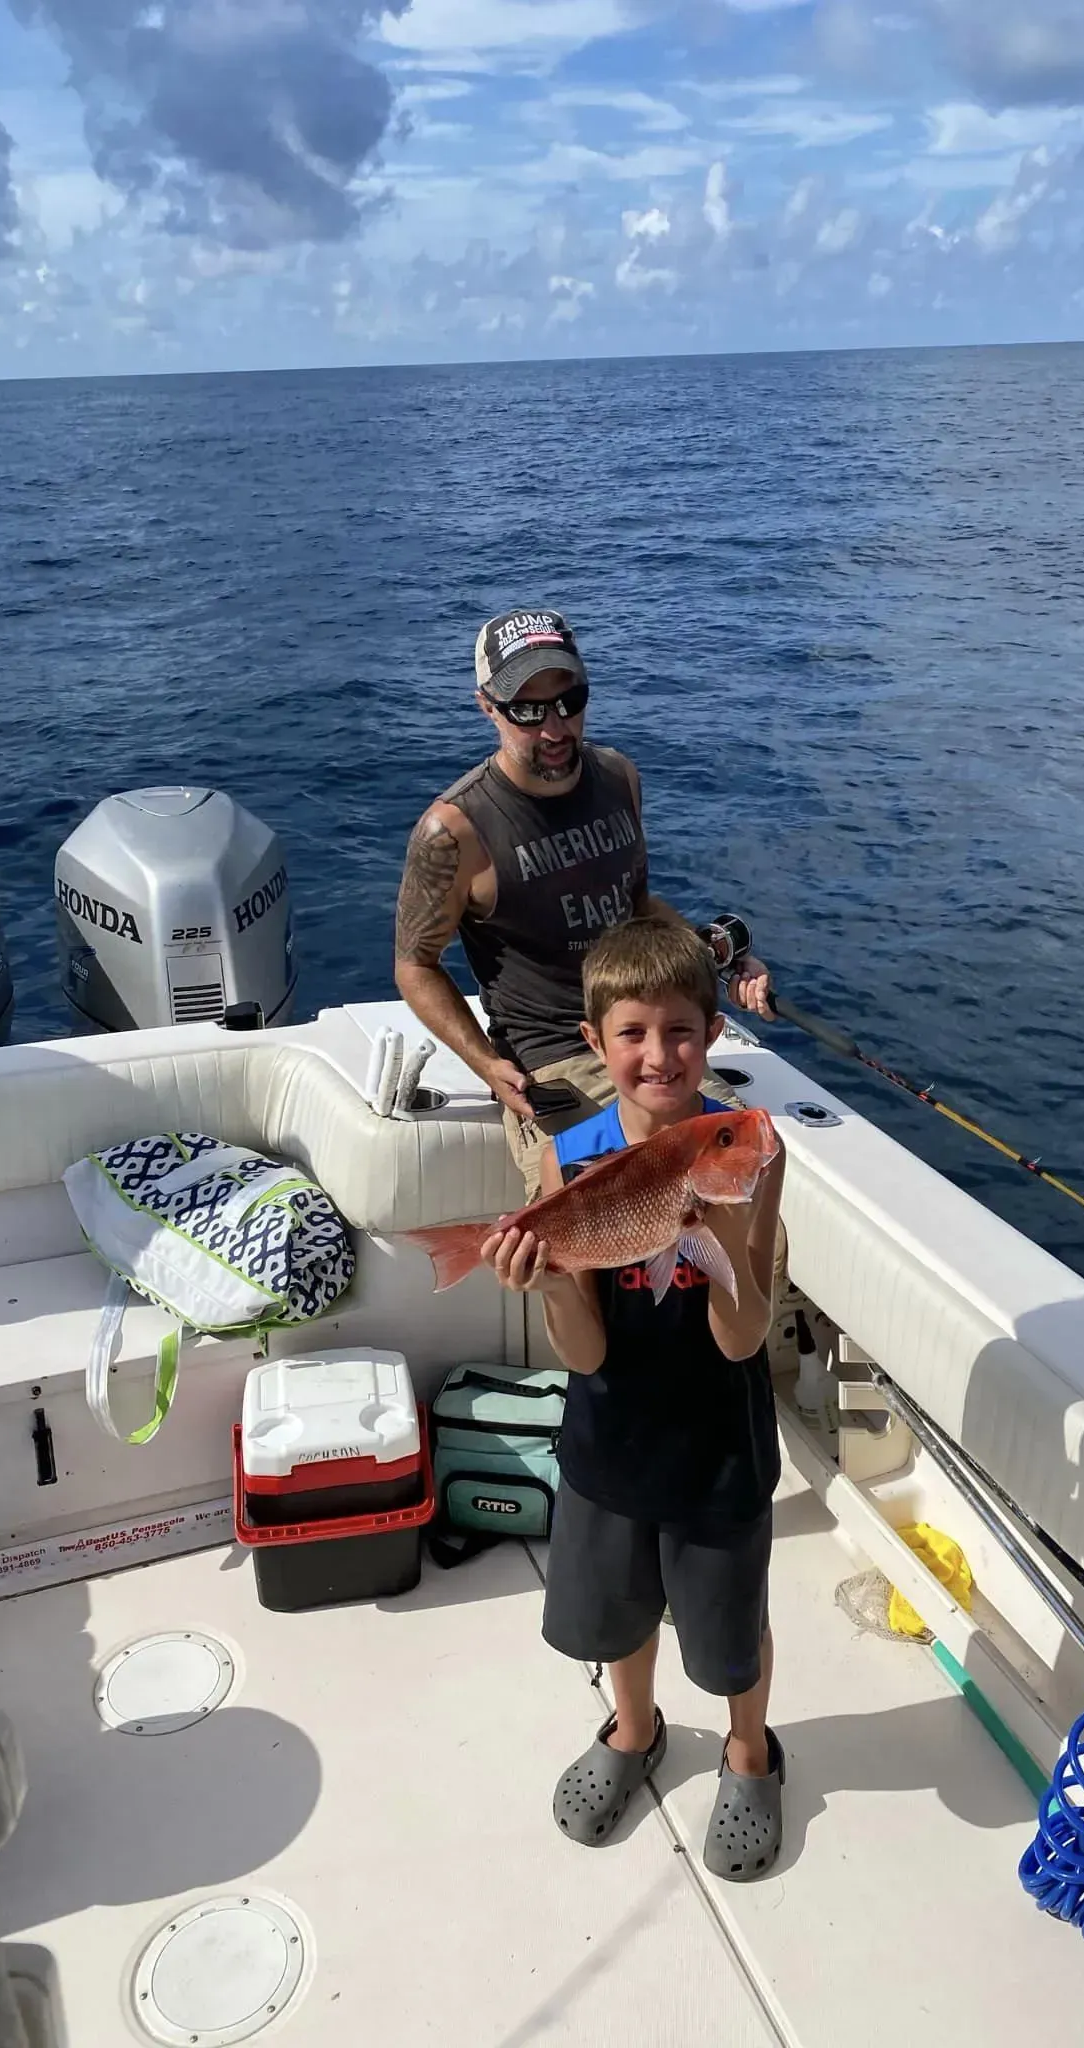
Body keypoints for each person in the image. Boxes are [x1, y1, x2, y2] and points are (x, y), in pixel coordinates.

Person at [481, 912, 788, 1882]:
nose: (661, 1054)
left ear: (716, 1033)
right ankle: (635, 1725)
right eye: (634, 1033)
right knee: (618, 1614)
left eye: (683, 1030)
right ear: (596, 1042)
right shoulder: (568, 1156)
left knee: (729, 1629)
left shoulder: (750, 1147)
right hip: (611, 1438)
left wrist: (722, 1222)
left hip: (719, 1447)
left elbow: (743, 1336)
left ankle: (749, 1749)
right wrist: (549, 1280)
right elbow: (583, 1349)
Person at [394, 607, 774, 1199]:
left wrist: (714, 960)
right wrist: (487, 1068)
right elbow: (415, 965)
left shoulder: (618, 776)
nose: (555, 728)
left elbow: (638, 903)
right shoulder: (455, 831)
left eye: (569, 701)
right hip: (554, 1061)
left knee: (750, 1178)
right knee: (587, 1225)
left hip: (651, 1039)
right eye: (528, 710)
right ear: (487, 707)